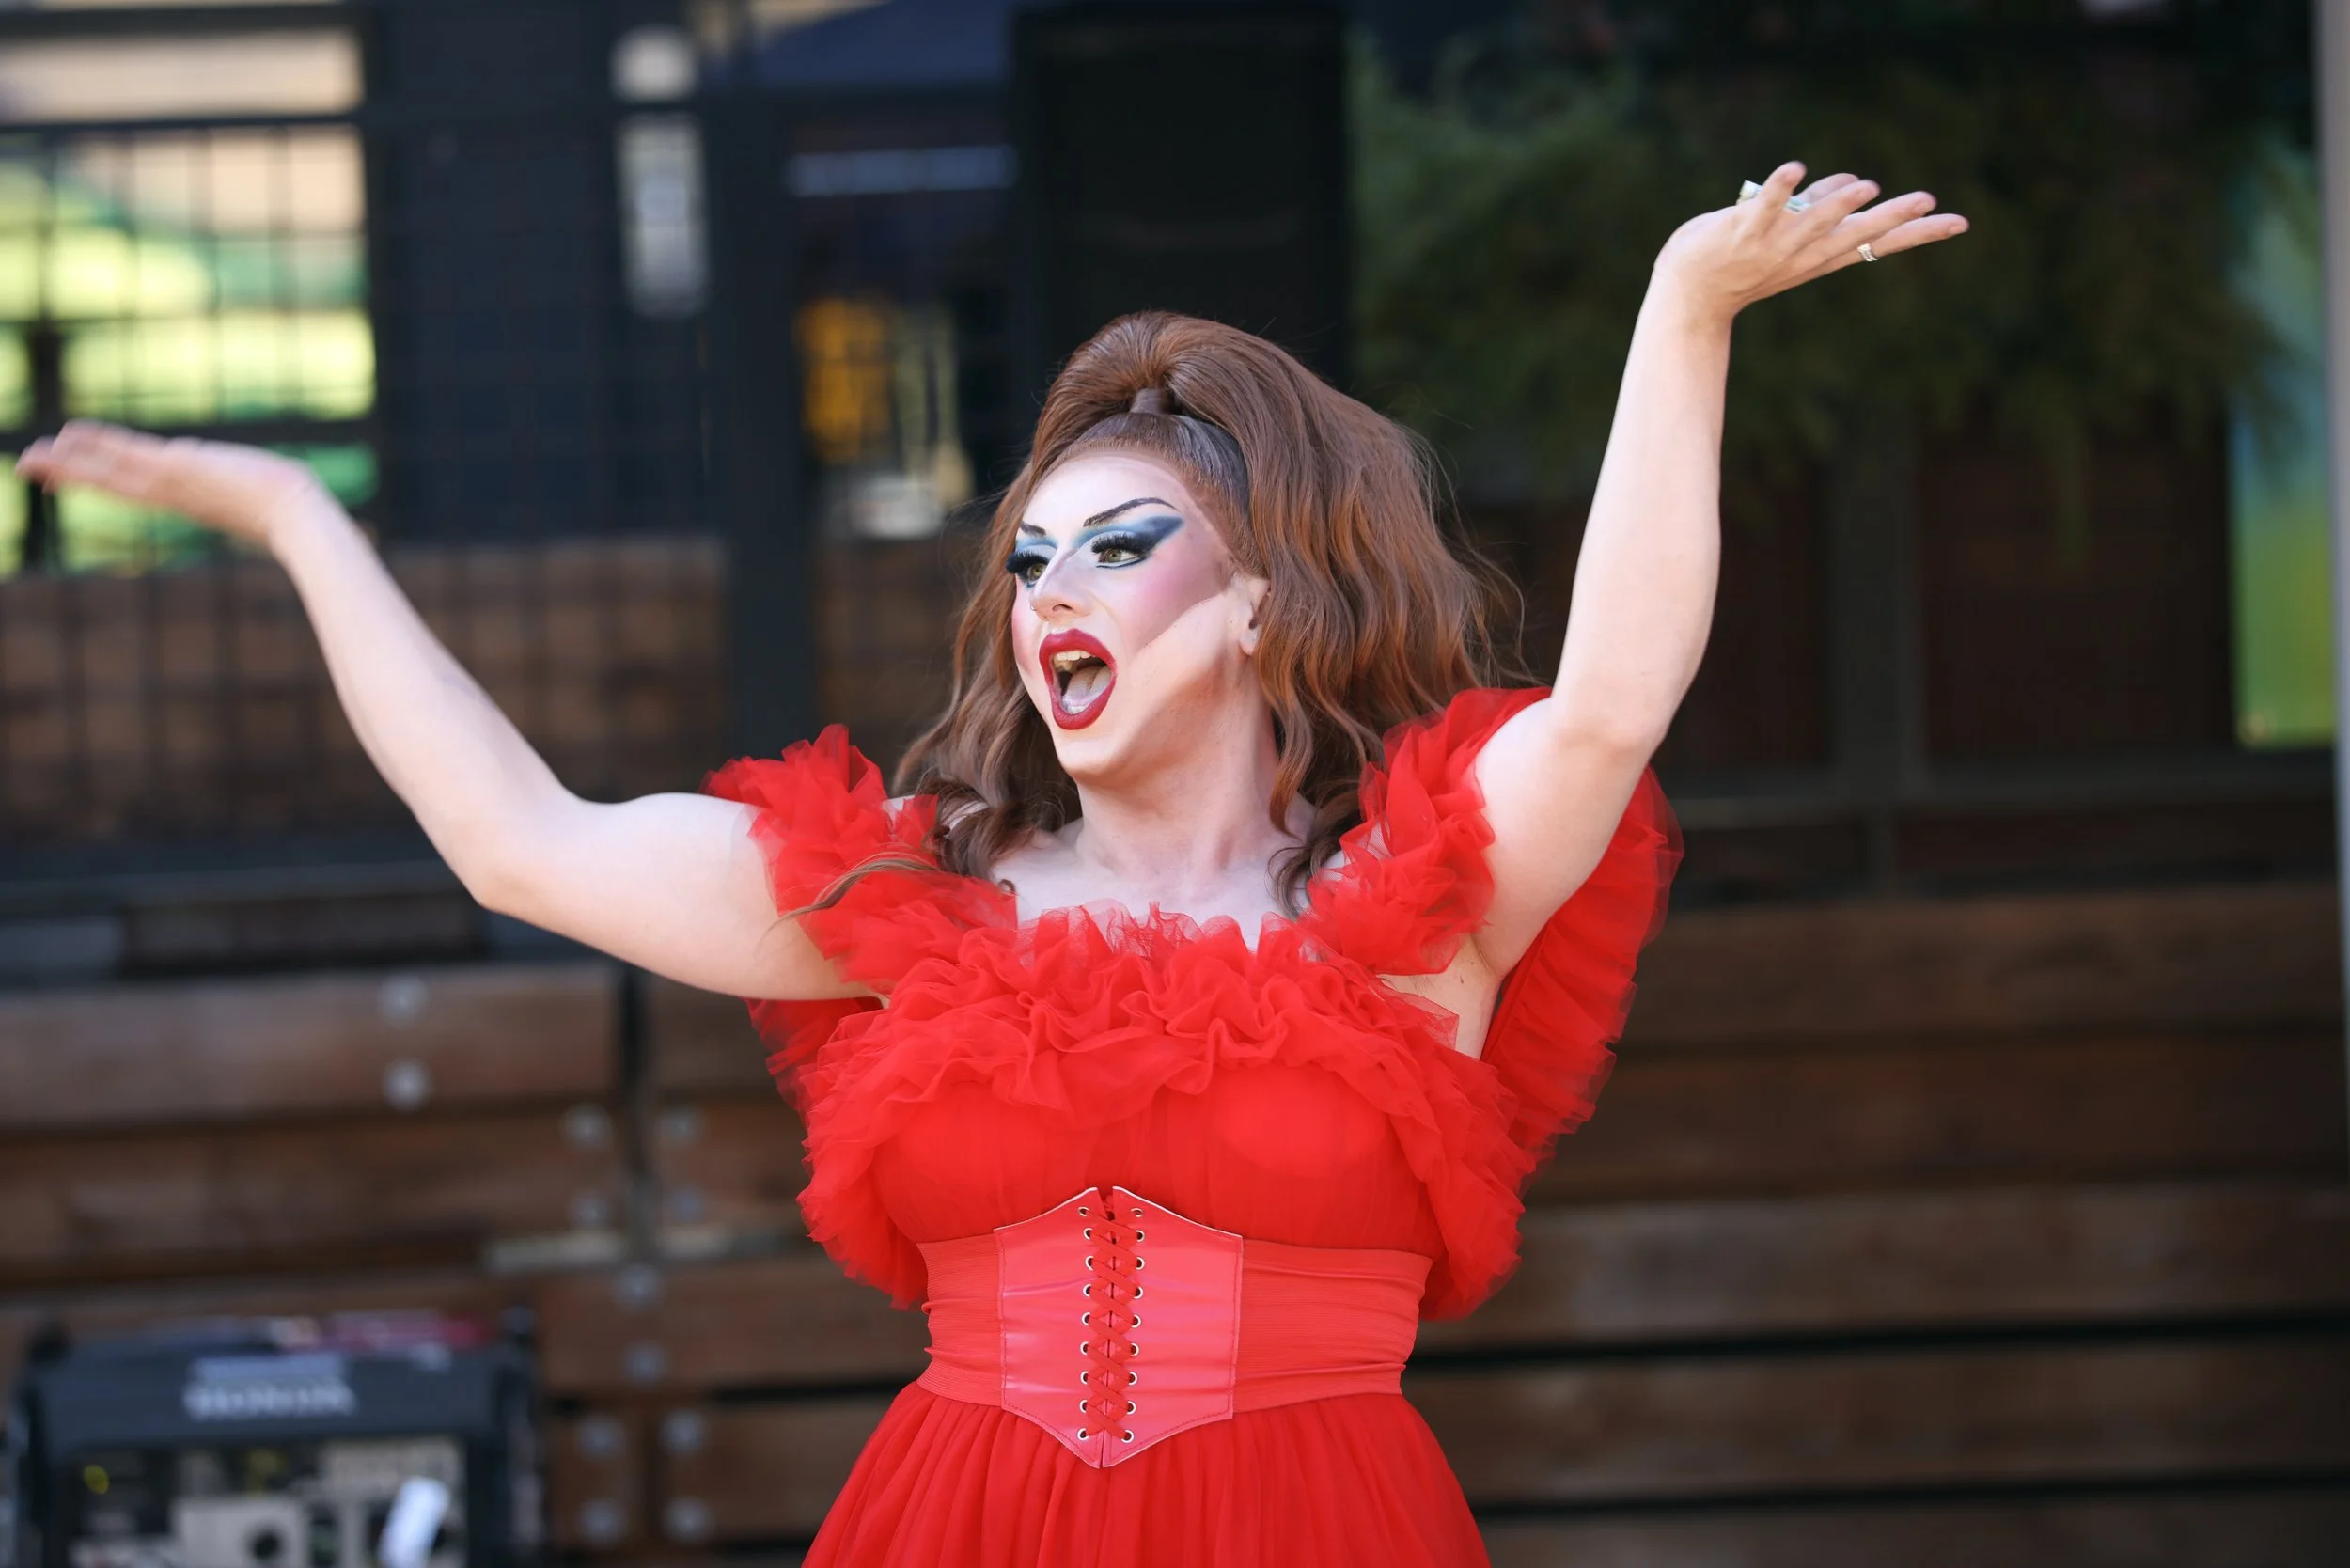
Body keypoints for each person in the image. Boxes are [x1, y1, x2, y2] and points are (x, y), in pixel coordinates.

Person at [19, 162, 1966, 1566]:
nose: (1051, 596)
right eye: (1027, 558)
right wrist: (289, 518)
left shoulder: (1414, 903)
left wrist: (1681, 309)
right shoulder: (914, 916)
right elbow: (518, 844)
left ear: (1264, 609)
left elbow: (1615, 698)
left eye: (1119, 550)